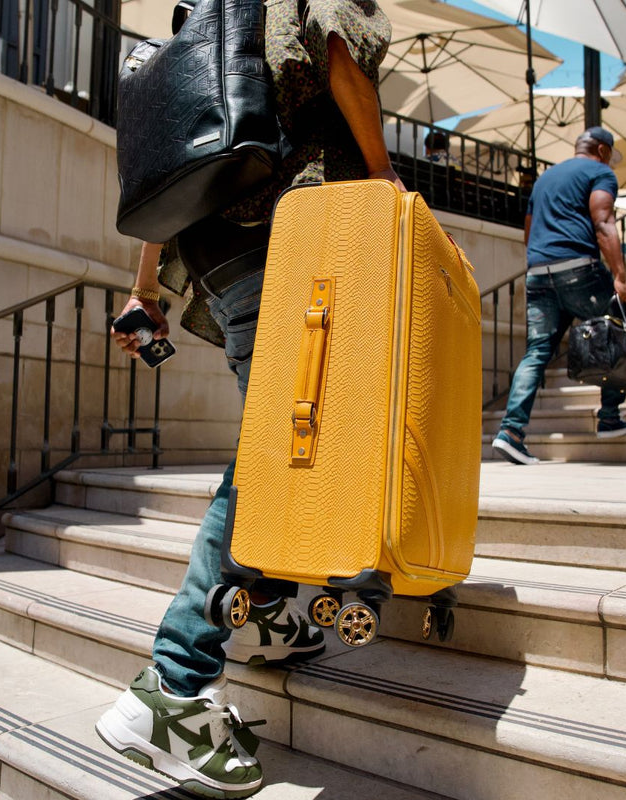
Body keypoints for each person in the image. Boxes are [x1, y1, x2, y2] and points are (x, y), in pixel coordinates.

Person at [95, 1, 405, 796]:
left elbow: (172, 163)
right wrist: (382, 174)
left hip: (218, 259)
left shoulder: (206, 21)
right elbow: (341, 46)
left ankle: (261, 613)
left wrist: (144, 290)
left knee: (283, 446)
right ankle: (172, 687)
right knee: (275, 459)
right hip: (296, 237)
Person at [491, 126, 626, 466]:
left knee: (537, 351)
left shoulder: (544, 179)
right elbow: (603, 222)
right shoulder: (600, 172)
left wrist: (542, 262)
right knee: (614, 331)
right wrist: (619, 276)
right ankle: (609, 417)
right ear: (602, 150)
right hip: (579, 270)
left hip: (539, 273)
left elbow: (528, 230)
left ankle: (511, 433)